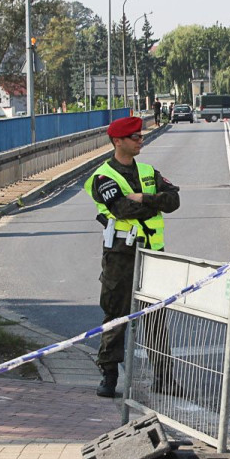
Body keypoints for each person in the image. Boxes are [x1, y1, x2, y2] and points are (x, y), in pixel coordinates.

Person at [84, 115, 180, 397]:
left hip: (152, 253)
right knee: (116, 315)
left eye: (140, 136)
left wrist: (144, 199)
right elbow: (122, 209)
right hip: (121, 255)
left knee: (155, 317)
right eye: (135, 137)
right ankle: (110, 376)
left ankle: (164, 378)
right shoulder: (104, 177)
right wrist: (153, 204)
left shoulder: (149, 171)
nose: (141, 140)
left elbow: (174, 200)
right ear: (118, 142)